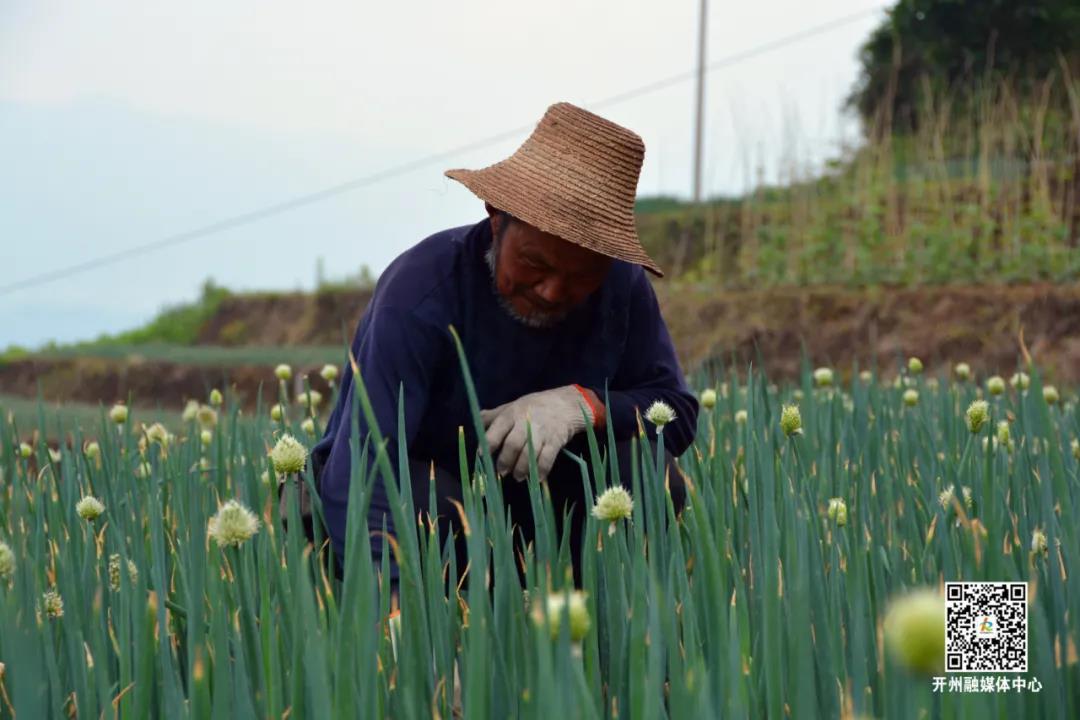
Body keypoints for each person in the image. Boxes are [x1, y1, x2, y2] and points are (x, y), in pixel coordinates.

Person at [308, 101, 699, 592]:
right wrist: (393, 619)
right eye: (536, 263)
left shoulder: (621, 286)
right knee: (428, 501)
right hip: (438, 525)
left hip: (548, 523)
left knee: (645, 471)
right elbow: (365, 467)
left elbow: (676, 412)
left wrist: (583, 405)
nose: (553, 291)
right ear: (496, 218)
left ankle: (602, 637)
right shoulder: (420, 292)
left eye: (580, 277)